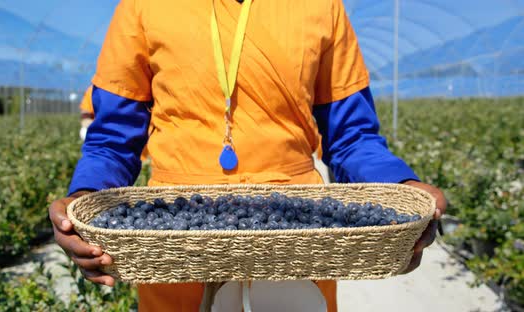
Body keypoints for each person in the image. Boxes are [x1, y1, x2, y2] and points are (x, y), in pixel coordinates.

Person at [49, 0, 447, 311]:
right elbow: (113, 138)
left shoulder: (321, 7)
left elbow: (351, 136)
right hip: (172, 240)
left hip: (299, 234)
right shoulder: (144, 6)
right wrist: (85, 198)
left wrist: (402, 187)